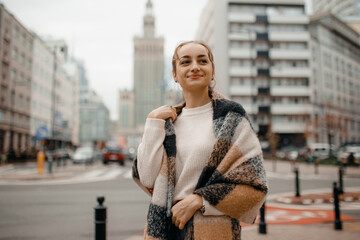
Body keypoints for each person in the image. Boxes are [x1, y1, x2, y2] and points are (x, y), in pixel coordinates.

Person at [132, 41, 268, 240]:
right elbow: (146, 179)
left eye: (202, 60)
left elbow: (254, 185)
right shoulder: (167, 123)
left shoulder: (230, 117)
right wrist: (152, 123)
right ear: (175, 75)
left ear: (212, 70)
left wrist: (200, 200)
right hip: (165, 228)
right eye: (185, 62)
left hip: (213, 228)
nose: (194, 66)